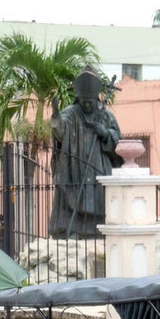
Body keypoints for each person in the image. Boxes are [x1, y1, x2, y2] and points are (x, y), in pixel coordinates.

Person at [49, 66, 123, 239]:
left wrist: (105, 133)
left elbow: (119, 142)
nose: (87, 105)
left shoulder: (106, 116)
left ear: (96, 98)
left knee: (99, 197)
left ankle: (98, 231)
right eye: (84, 102)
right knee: (72, 196)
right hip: (74, 167)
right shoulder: (71, 113)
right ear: (79, 98)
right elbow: (60, 132)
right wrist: (55, 114)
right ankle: (72, 230)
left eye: (90, 102)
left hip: (99, 165)